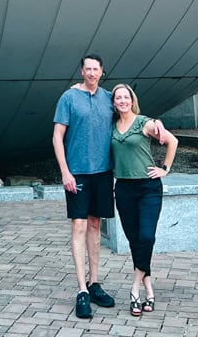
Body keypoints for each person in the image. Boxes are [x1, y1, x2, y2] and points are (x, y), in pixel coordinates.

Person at [52, 54, 116, 320]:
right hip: (77, 172)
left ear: (102, 72)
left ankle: (95, 282)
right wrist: (65, 171)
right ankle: (82, 291)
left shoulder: (109, 97)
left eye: (95, 69)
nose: (91, 73)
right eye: (87, 69)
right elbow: (57, 136)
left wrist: (154, 125)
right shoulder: (68, 98)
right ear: (82, 71)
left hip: (102, 172)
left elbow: (130, 116)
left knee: (95, 225)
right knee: (78, 225)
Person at [110, 82, 178, 316]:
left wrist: (165, 168)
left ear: (132, 100)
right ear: (114, 102)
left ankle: (135, 288)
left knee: (146, 236)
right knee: (134, 240)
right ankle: (149, 288)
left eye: (125, 97)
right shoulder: (111, 126)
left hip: (148, 188)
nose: (122, 101)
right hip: (124, 189)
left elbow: (173, 141)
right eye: (118, 98)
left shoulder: (144, 123)